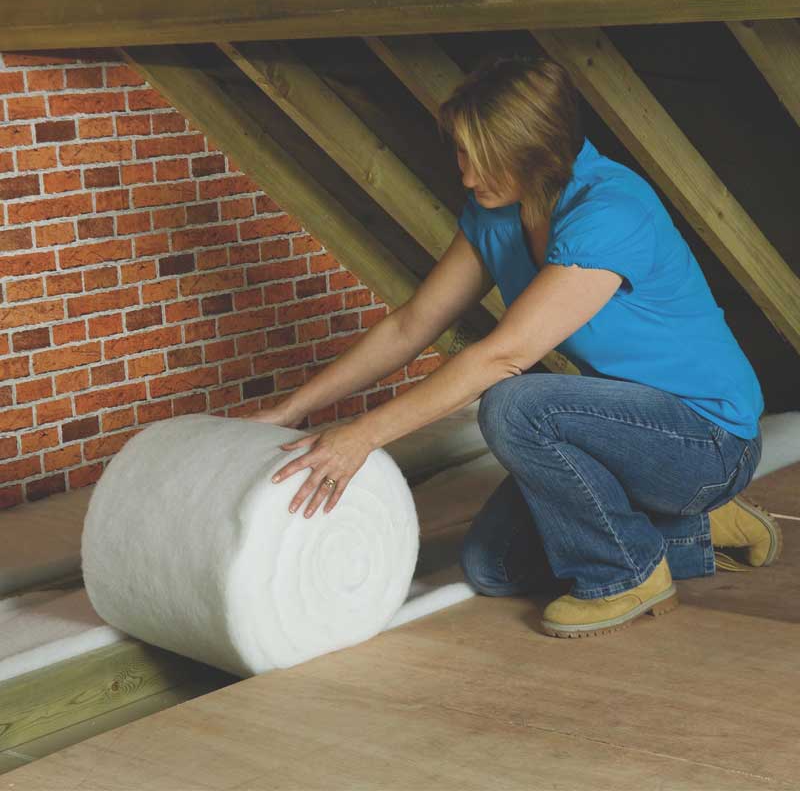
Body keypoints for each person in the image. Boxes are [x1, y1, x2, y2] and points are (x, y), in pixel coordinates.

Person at [246, 55, 781, 639]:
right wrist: (296, 407)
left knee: (513, 402)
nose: (469, 177)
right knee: (492, 566)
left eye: (486, 159)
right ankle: (693, 530)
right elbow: (412, 325)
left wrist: (362, 437)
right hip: (619, 432)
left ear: (538, 150)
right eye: (462, 154)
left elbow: (505, 357)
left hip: (707, 442)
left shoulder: (612, 210)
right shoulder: (495, 211)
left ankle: (626, 573)